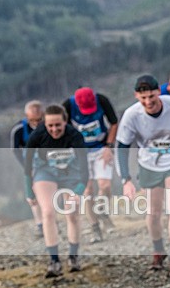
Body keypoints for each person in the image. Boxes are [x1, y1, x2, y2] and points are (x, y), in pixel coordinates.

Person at [116, 75, 170, 279]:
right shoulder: (131, 115)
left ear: (158, 92)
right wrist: (125, 180)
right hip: (149, 163)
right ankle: (158, 251)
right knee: (153, 212)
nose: (148, 102)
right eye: (143, 98)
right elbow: (122, 147)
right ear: (137, 96)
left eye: (151, 96)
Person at [24, 105, 88, 277]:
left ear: (65, 122)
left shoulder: (75, 135)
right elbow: (28, 166)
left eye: (58, 125)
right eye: (50, 125)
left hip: (70, 173)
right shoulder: (37, 135)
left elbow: (84, 170)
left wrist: (78, 191)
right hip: (45, 171)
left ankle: (73, 256)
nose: (54, 129)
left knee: (72, 213)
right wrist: (29, 192)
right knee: (48, 212)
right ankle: (54, 260)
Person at [63, 88, 118, 243]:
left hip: (101, 147)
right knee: (87, 190)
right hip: (80, 151)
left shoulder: (102, 100)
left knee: (105, 185)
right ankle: (95, 228)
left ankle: (102, 210)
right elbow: (61, 128)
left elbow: (114, 123)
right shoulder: (68, 105)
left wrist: (109, 146)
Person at [11, 100, 45, 237]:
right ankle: (40, 225)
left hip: (48, 164)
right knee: (32, 197)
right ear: (26, 116)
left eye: (39, 119)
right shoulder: (19, 129)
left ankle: (50, 221)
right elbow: (15, 150)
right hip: (29, 165)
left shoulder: (49, 126)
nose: (36, 123)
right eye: (32, 120)